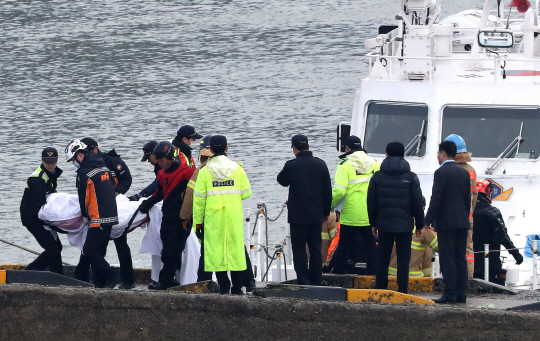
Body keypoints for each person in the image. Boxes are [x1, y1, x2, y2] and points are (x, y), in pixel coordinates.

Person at [184, 136, 256, 292]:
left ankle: (224, 286)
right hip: (233, 218)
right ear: (227, 148)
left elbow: (199, 202)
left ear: (210, 150)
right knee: (235, 253)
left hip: (213, 219)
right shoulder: (237, 169)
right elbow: (246, 193)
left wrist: (198, 224)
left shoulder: (205, 172)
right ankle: (237, 289)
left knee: (216, 253)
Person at [368, 142, 424, 294]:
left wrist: (373, 223)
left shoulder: (377, 177)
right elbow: (417, 203)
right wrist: (420, 224)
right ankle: (402, 291)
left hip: (384, 225)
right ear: (403, 155)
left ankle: (380, 291)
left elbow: (371, 202)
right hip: (405, 226)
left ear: (386, 155)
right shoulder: (411, 177)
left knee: (382, 260)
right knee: (403, 261)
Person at [138, 141, 194, 290]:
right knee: (167, 249)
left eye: (161, 160)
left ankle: (165, 281)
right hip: (167, 217)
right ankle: (172, 278)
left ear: (170, 158)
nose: (159, 163)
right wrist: (147, 203)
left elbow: (199, 191)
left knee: (172, 250)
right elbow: (160, 193)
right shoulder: (162, 173)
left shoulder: (186, 172)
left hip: (182, 219)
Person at [277, 134, 332, 286]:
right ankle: (316, 280)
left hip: (297, 217)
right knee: (315, 248)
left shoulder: (291, 165)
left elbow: (281, 180)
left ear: (294, 148)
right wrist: (326, 213)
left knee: (299, 249)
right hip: (316, 216)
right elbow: (328, 191)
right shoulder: (321, 165)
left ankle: (303, 280)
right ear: (308, 146)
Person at [81, 137, 135, 289]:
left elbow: (127, 179)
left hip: (114, 205)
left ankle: (128, 280)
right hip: (97, 210)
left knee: (121, 245)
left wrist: (116, 192)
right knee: (97, 247)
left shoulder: (111, 161)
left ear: (95, 149)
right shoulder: (86, 165)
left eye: (87, 151)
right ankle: (100, 279)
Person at [65, 139, 119, 288]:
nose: (74, 163)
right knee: (99, 251)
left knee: (88, 251)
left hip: (97, 218)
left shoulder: (84, 173)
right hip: (111, 216)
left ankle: (110, 273)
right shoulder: (104, 167)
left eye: (73, 159)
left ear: (80, 155)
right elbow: (113, 186)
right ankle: (100, 283)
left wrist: (84, 215)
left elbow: (84, 197)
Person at [424, 140, 471, 303]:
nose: (438, 156)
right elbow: (467, 199)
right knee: (460, 256)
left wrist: (427, 219)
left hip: (446, 222)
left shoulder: (441, 173)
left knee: (447, 257)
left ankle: (449, 292)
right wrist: (465, 217)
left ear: (443, 154)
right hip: (462, 221)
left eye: (438, 153)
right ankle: (461, 292)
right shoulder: (464, 173)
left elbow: (436, 198)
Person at [330, 136, 380, 275]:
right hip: (369, 213)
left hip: (350, 213)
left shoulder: (345, 164)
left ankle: (337, 275)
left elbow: (339, 191)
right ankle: (374, 276)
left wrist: (329, 205)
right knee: (371, 246)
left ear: (347, 148)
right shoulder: (374, 163)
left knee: (344, 245)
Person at [20, 147, 64, 275]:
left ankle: (31, 272)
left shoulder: (51, 174)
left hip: (41, 215)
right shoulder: (37, 179)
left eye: (53, 161)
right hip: (33, 218)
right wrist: (53, 224)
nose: (50, 165)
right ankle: (56, 278)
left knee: (56, 248)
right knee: (53, 248)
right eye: (47, 162)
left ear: (56, 160)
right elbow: (36, 207)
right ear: (42, 160)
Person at [473, 179, 523, 285]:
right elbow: (503, 236)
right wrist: (516, 254)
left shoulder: (465, 212)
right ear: (487, 194)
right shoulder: (492, 213)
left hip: (469, 261)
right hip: (491, 261)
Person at [445, 134, 478, 279]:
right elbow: (474, 195)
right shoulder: (471, 170)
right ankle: (468, 277)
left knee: (450, 249)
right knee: (467, 249)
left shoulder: (447, 170)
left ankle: (451, 279)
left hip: (450, 218)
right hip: (467, 217)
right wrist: (470, 212)